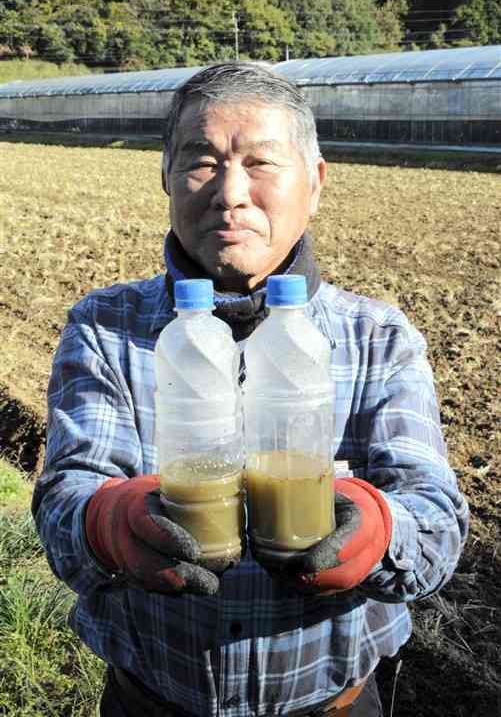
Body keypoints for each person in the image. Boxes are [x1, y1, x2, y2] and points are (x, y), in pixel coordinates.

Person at [32, 62, 469, 717]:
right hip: (150, 701)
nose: (230, 191)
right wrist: (107, 522)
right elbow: (66, 498)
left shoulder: (377, 338)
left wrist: (375, 530)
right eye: (201, 161)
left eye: (260, 162)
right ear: (166, 177)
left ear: (314, 183)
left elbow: (434, 521)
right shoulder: (105, 328)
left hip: (333, 705)